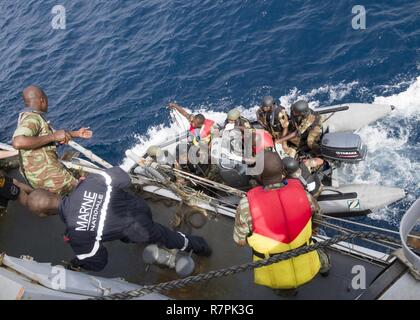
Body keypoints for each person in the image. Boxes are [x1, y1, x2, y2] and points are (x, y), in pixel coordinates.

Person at [26, 166, 212, 271]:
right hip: (140, 207)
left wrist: (78, 260)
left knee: (167, 237)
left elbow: (99, 261)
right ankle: (201, 246)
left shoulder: (76, 236)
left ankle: (200, 246)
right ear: (52, 192)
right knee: (157, 231)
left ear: (44, 214)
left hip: (139, 230)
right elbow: (125, 179)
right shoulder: (88, 183)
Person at [233, 151, 329, 295]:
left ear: (259, 175)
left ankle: (290, 293)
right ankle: (325, 268)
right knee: (317, 247)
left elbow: (239, 242)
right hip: (309, 267)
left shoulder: (246, 205)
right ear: (283, 172)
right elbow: (318, 216)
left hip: (276, 275)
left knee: (283, 288)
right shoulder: (303, 194)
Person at [12, 85, 93, 195]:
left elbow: (44, 138)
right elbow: (18, 142)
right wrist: (53, 137)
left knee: (79, 172)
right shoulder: (32, 118)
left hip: (35, 179)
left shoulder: (27, 117)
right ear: (42, 100)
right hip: (49, 178)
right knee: (91, 187)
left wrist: (77, 133)